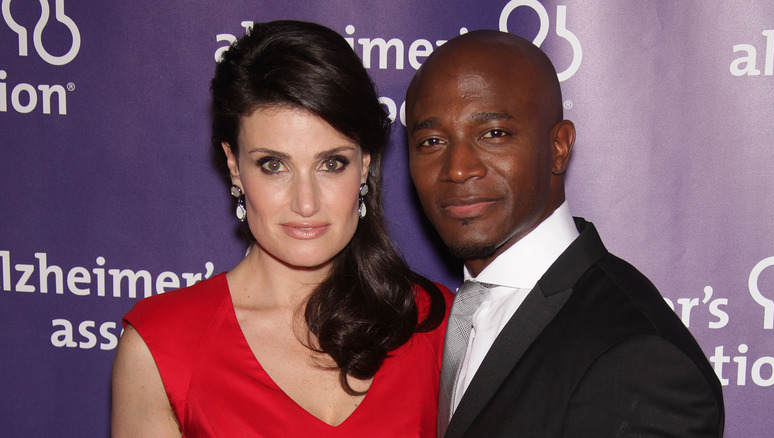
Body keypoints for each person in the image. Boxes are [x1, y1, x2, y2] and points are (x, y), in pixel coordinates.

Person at [111, 20, 449, 437]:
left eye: (331, 163)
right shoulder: (165, 346)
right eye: (274, 165)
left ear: (364, 164)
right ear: (234, 166)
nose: (305, 203)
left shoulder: (435, 325)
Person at [405, 30, 724, 438]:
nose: (458, 168)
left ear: (558, 148)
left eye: (494, 134)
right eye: (431, 141)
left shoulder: (638, 356)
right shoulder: (438, 322)